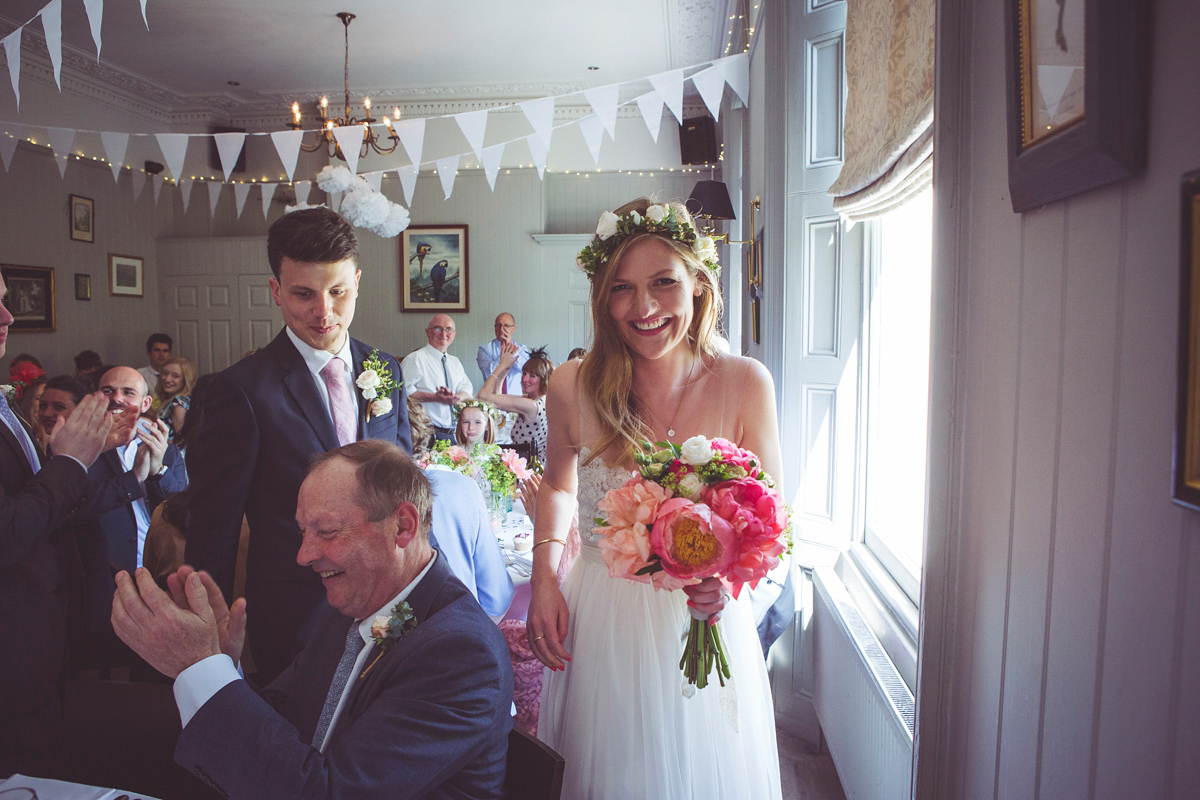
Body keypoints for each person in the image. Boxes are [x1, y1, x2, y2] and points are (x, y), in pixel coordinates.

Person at [526, 198, 784, 799]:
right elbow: (560, 486)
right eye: (621, 288)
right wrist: (543, 574)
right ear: (601, 299)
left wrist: (729, 585)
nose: (643, 308)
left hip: (703, 620)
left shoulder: (745, 383)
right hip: (603, 619)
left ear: (697, 281)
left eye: (663, 282)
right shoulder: (571, 386)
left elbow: (774, 524)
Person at [111, 440, 513, 799]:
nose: (303, 555)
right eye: (303, 531)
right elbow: (286, 718)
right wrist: (221, 664)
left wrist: (198, 668)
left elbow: (329, 792)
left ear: (402, 526)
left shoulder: (462, 654)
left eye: (327, 531)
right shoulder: (355, 604)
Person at [184, 207, 412, 683]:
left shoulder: (386, 368)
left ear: (357, 281)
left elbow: (406, 487)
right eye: (304, 294)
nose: (323, 311)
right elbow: (214, 528)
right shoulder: (242, 390)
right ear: (276, 291)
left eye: (338, 291)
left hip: (391, 611)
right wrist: (206, 638)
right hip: (296, 615)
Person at [0, 275, 115, 778]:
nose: (8, 318)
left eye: (4, 302)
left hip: (38, 650)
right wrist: (68, 465)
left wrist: (78, 459)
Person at [401, 314, 473, 443]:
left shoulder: (455, 362)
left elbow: (467, 388)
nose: (444, 333)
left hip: (454, 433)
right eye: (438, 329)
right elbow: (402, 391)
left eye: (448, 329)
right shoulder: (415, 359)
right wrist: (434, 397)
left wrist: (456, 398)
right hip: (426, 434)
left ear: (454, 334)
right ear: (427, 332)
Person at [477, 344, 553, 464]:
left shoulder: (531, 406)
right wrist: (506, 368)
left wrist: (501, 366)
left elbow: (483, 396)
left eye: (532, 376)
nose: (524, 379)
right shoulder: (540, 400)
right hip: (532, 464)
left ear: (544, 379)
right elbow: (497, 396)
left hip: (530, 468)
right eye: (524, 373)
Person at [476, 312, 530, 394]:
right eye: (498, 325)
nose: (501, 329)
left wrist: (513, 351)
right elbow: (488, 374)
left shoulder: (521, 349)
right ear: (494, 327)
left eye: (506, 326)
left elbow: (526, 370)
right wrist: (504, 354)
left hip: (515, 399)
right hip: (492, 399)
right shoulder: (484, 350)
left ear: (513, 329)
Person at [154, 355, 197, 443]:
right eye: (165, 373)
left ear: (186, 379)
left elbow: (183, 440)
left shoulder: (178, 404)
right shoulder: (173, 400)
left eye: (175, 376)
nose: (167, 379)